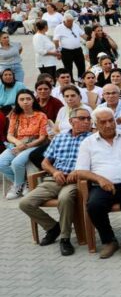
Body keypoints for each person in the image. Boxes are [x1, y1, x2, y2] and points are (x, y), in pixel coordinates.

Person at [70, 109, 121, 259]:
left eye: (111, 120)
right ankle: (109, 241)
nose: (108, 125)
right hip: (102, 185)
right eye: (103, 122)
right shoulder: (88, 142)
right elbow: (80, 170)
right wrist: (100, 179)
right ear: (95, 124)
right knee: (93, 205)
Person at [19, 106, 93, 256]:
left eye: (88, 119)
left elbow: (96, 164)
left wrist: (78, 173)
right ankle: (53, 228)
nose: (87, 121)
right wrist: (55, 171)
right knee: (25, 203)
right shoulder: (60, 138)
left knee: (64, 198)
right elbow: (45, 163)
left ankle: (65, 238)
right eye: (82, 118)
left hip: (76, 181)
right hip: (54, 179)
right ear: (72, 121)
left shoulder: (92, 139)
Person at [0, 89, 48, 199]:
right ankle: (24, 182)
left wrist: (25, 146)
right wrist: (18, 143)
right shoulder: (15, 115)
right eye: (21, 99)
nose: (25, 102)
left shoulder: (41, 115)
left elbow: (42, 137)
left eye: (28, 99)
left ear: (33, 100)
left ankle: (16, 186)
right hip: (18, 144)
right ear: (17, 101)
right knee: (1, 162)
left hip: (34, 145)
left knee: (17, 162)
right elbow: (9, 135)